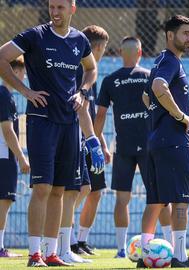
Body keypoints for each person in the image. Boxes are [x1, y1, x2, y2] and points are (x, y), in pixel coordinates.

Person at [0, 0, 104, 266]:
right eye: (52, 7)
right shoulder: (35, 36)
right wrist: (25, 91)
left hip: (69, 123)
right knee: (43, 188)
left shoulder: (79, 40)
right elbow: (1, 56)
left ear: (72, 9)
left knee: (60, 189)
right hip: (41, 121)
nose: (55, 12)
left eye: (60, 7)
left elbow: (92, 68)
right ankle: (35, 254)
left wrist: (82, 91)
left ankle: (51, 252)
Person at [137, 14, 189, 268]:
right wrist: (180, 116)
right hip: (173, 141)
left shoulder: (160, 61)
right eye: (185, 33)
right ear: (170, 36)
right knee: (180, 199)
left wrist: (178, 110)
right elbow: (157, 87)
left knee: (156, 200)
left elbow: (147, 98)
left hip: (156, 140)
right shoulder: (170, 62)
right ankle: (180, 257)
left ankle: (146, 257)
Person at [95, 36, 172, 259]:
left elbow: (100, 115)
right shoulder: (151, 76)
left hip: (124, 148)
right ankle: (168, 244)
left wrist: (98, 141)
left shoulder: (110, 80)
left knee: (122, 198)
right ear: (140, 53)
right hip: (151, 147)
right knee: (160, 197)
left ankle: (121, 249)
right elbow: (165, 108)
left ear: (121, 52)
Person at [58, 25, 109, 264]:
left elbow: (89, 110)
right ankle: (60, 241)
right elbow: (84, 110)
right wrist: (93, 141)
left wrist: (97, 142)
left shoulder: (90, 73)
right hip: (71, 135)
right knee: (69, 191)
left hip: (82, 137)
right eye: (103, 49)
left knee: (84, 189)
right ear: (96, 47)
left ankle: (64, 241)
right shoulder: (81, 70)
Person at [0, 56, 29, 258]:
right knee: (3, 201)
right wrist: (21, 156)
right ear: (15, 72)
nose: (24, 77)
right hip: (4, 156)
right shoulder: (4, 95)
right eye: (23, 73)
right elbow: (7, 130)